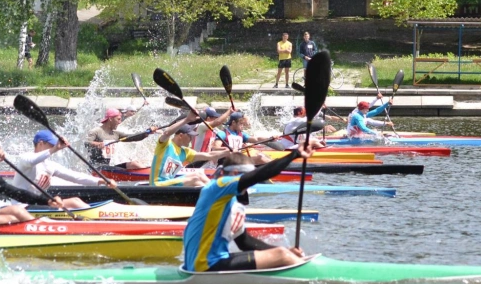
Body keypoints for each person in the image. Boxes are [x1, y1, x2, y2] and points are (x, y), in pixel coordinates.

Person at [183, 144, 315, 271]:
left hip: (203, 263)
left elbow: (244, 242)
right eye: (247, 179)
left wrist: (285, 251)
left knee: (282, 253)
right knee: (282, 255)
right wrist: (295, 154)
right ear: (235, 173)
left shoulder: (232, 203)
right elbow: (259, 175)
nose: (250, 185)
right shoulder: (218, 186)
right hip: (205, 263)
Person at [10, 130, 118, 209]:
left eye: (54, 145)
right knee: (74, 202)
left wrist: (102, 181)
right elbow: (32, 160)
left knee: (75, 201)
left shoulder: (50, 165)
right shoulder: (25, 159)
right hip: (20, 207)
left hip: (36, 204)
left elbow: (75, 176)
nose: (55, 147)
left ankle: (96, 220)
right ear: (40, 143)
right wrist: (54, 149)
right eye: (51, 145)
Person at [0, 138, 65, 225]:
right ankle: (41, 231)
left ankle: (40, 230)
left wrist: (47, 200)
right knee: (16, 212)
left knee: (15, 213)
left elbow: (17, 193)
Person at [150, 113, 231, 187]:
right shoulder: (165, 144)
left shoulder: (186, 152)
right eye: (189, 136)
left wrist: (228, 152)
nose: (191, 139)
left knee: (199, 173)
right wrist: (187, 120)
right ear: (181, 135)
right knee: (194, 179)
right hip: (157, 185)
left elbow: (209, 155)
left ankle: (217, 190)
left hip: (169, 185)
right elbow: (167, 133)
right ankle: (212, 193)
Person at [85, 108, 151, 170]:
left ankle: (149, 174)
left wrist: (147, 133)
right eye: (118, 119)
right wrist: (97, 144)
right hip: (96, 168)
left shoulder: (116, 134)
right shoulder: (95, 131)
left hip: (107, 167)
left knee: (134, 164)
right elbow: (86, 142)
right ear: (110, 119)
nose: (120, 122)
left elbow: (133, 137)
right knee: (111, 168)